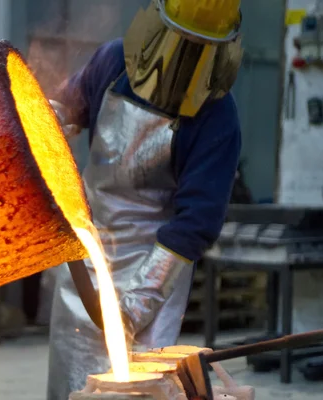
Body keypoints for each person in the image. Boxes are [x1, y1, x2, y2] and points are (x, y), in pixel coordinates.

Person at [46, 0, 244, 398]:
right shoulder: (114, 63)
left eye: (198, 51)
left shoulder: (216, 116)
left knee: (139, 390)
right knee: (72, 387)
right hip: (87, 257)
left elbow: (195, 225)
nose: (181, 64)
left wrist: (135, 305)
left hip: (152, 269)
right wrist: (43, 123)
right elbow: (65, 112)